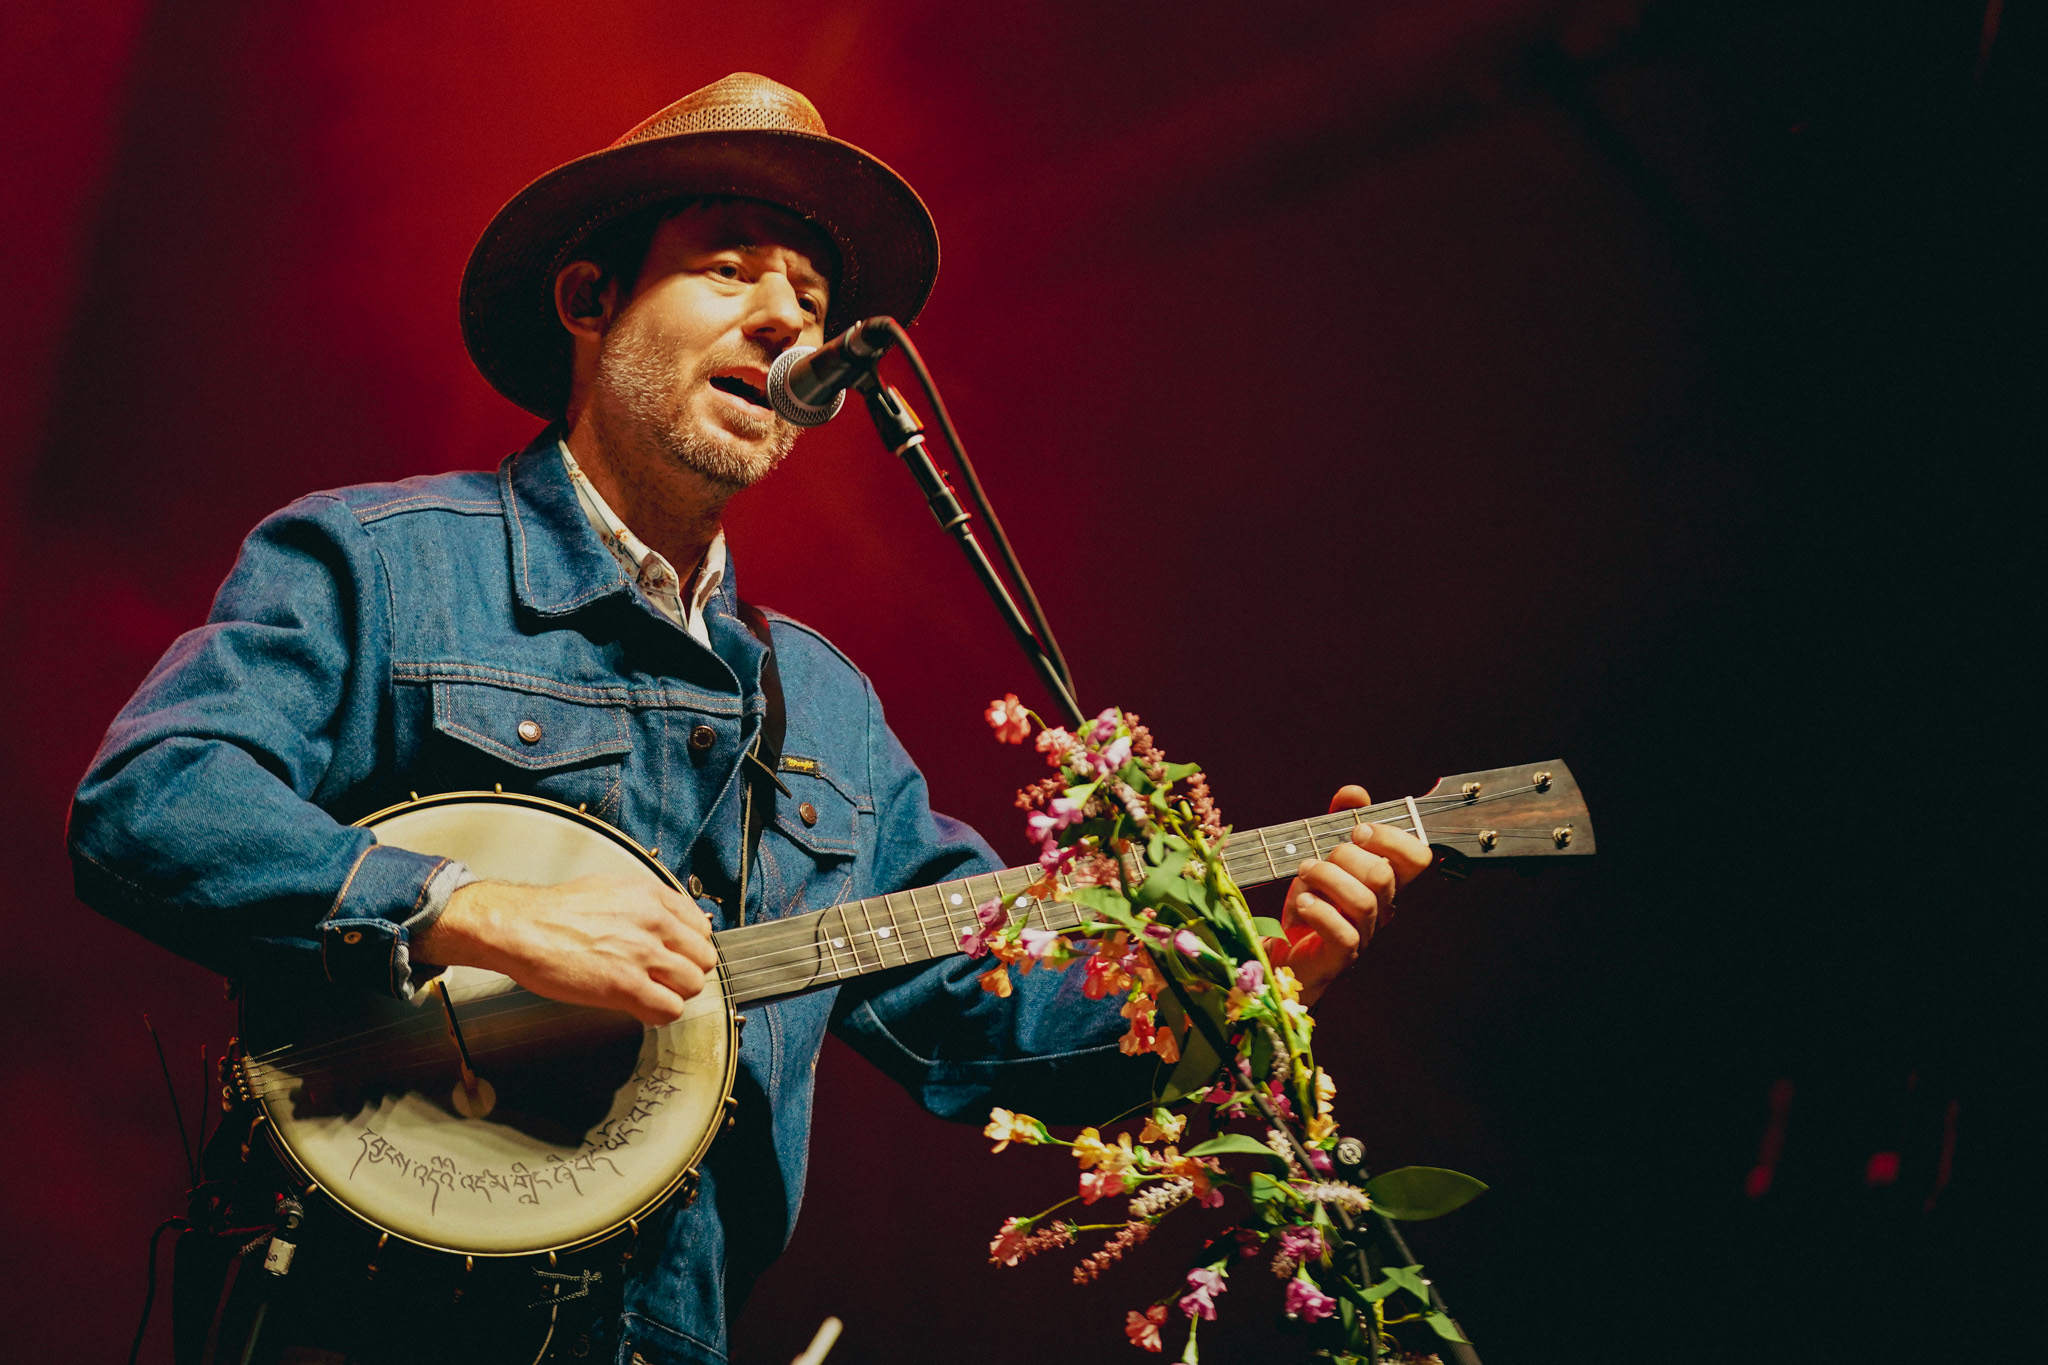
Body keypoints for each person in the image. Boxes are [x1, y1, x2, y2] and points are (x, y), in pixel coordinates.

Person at [69, 73, 1427, 1365]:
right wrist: (465, 907)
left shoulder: (823, 704)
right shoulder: (379, 561)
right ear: (590, 298)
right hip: (370, 1320)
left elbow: (976, 1019)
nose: (788, 319)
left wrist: (1249, 982)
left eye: (813, 296)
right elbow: (152, 798)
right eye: (730, 267)